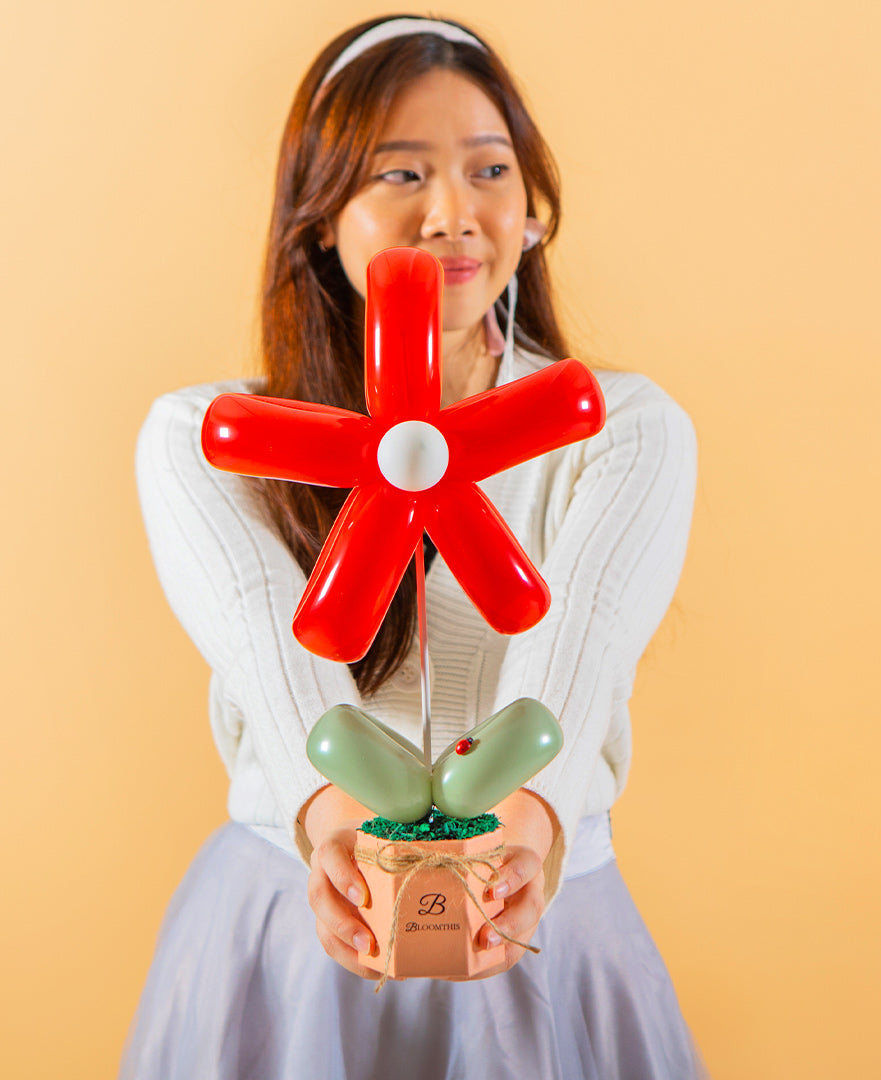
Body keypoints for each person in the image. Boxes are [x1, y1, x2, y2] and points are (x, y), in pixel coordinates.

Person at [122, 15, 710, 1080]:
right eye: (401, 173)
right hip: (293, 930)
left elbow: (570, 652)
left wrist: (524, 828)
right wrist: (343, 830)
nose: (454, 215)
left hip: (538, 924)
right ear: (318, 220)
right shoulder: (207, 441)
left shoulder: (618, 428)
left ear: (533, 212)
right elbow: (274, 651)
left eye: (492, 169)